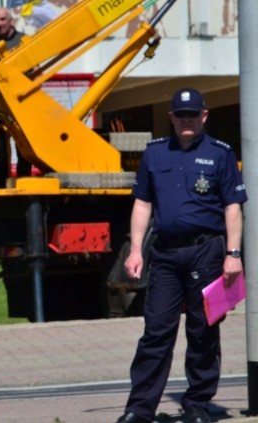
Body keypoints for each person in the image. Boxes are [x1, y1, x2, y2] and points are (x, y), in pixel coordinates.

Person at [116, 88, 246, 423]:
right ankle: (139, 409)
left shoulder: (221, 154)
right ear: (171, 117)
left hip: (207, 252)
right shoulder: (155, 154)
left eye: (192, 114)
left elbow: (232, 207)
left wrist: (234, 253)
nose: (186, 119)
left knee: (204, 331)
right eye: (180, 114)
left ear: (204, 116)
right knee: (156, 332)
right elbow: (143, 203)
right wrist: (135, 250)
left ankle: (197, 405)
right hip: (165, 255)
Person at [0, 7, 31, 187]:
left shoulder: (22, 41)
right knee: (1, 149)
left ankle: (23, 182)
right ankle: (2, 184)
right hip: (0, 106)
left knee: (24, 148)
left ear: (11, 20)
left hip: (20, 104)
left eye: (2, 19)